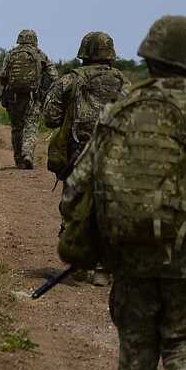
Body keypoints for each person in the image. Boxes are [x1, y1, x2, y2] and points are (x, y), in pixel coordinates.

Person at [59, 15, 186, 370]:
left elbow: (78, 185)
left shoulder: (119, 112)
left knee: (136, 352)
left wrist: (88, 237)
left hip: (128, 259)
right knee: (185, 346)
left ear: (148, 56)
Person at [43, 31, 129, 286]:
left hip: (78, 154)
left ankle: (79, 264)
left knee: (75, 207)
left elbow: (50, 117)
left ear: (84, 52)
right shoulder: (124, 82)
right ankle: (103, 269)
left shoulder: (70, 80)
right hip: (115, 154)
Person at [0, 29, 59, 169]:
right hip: (33, 97)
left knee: (16, 128)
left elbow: (2, 76)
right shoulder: (40, 54)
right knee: (30, 126)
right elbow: (54, 76)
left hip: (13, 98)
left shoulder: (11, 54)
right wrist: (44, 89)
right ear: (35, 40)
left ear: (19, 39)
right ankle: (28, 154)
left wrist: (9, 86)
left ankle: (19, 160)